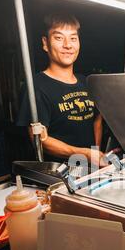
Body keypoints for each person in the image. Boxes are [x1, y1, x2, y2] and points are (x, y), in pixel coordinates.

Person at [16, 12, 104, 166]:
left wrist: (94, 153)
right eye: (58, 38)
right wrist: (86, 155)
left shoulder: (87, 82)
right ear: (45, 43)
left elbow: (97, 118)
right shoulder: (35, 87)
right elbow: (40, 140)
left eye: (73, 38)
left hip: (89, 171)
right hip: (59, 176)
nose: (68, 45)